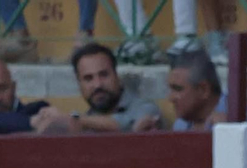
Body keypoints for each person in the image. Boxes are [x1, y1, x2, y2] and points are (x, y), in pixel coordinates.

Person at [31, 42, 160, 134]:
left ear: (117, 76)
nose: (97, 84)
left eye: (104, 75)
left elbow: (123, 125)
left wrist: (69, 117)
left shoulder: (145, 108)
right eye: (88, 78)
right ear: (79, 84)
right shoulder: (84, 121)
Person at [167, 50, 247, 131]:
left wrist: (231, 134)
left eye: (178, 89)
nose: (171, 98)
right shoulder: (181, 125)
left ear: (203, 90)